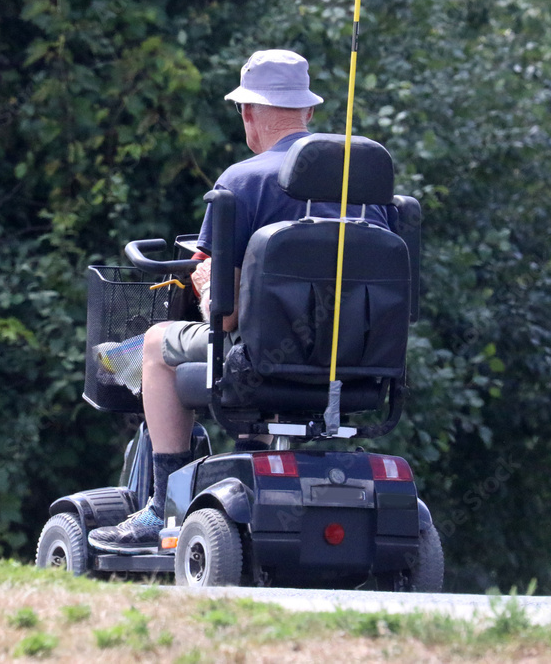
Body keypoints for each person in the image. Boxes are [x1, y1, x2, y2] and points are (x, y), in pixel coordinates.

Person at [88, 49, 393, 554]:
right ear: (309, 111)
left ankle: (159, 505)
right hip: (359, 366)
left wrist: (207, 283)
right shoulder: (365, 190)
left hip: (262, 362)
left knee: (155, 343)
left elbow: (225, 316)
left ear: (248, 112)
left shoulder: (242, 182)